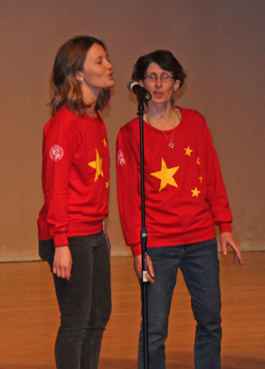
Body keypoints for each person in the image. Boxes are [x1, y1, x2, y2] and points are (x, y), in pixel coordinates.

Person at [116, 50, 243, 369]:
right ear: (140, 83)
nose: (158, 83)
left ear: (177, 84)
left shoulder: (196, 122)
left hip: (199, 241)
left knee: (211, 320)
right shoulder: (131, 134)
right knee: (155, 330)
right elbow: (128, 197)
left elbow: (212, 173)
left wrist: (224, 225)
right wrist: (136, 247)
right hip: (157, 245)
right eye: (151, 76)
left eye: (166, 76)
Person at [37, 35, 114, 369]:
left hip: (94, 233)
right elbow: (55, 188)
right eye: (99, 60)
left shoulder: (95, 120)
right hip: (70, 235)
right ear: (78, 73)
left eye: (107, 58)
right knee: (76, 321)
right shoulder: (63, 125)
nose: (108, 65)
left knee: (99, 315)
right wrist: (61, 241)